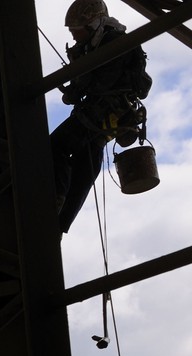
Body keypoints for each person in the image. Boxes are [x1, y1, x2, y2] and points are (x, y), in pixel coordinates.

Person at [52, 0, 150, 234]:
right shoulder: (93, 45)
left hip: (105, 112)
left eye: (76, 31)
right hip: (103, 115)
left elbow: (101, 82)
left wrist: (77, 86)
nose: (74, 36)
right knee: (87, 162)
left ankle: (56, 200)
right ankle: (59, 224)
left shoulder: (115, 44)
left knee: (55, 145)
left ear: (93, 24)